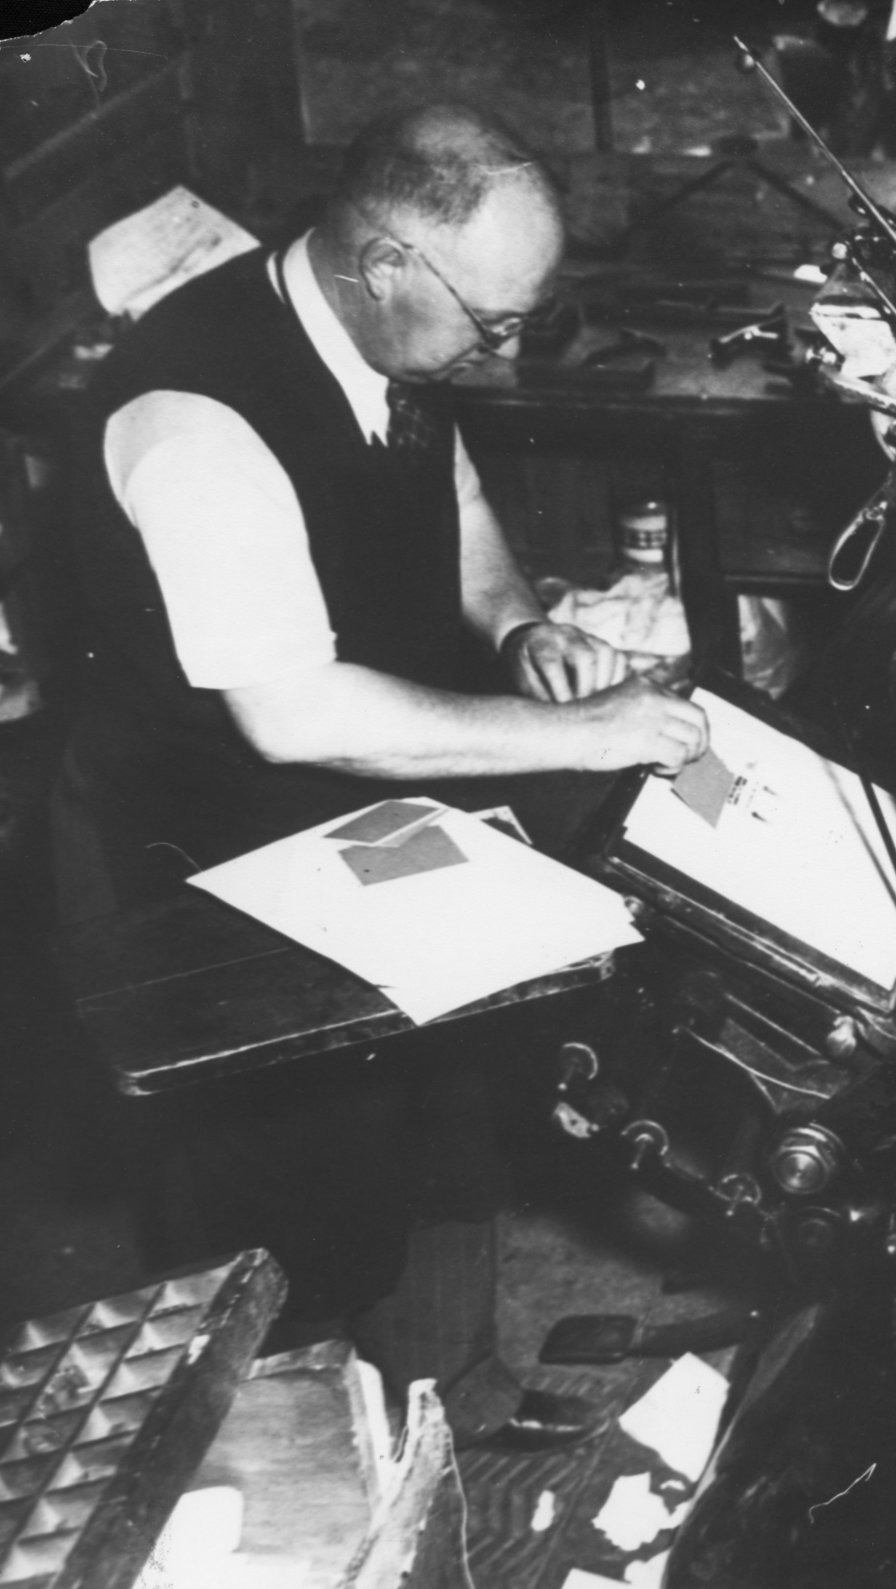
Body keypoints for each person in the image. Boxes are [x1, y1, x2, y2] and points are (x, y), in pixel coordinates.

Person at [51, 103, 707, 1450]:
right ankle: (309, 1475)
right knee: (283, 1237)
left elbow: (451, 508)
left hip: (371, 815)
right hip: (201, 868)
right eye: (496, 320)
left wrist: (519, 624)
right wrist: (586, 735)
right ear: (385, 266)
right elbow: (294, 715)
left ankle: (445, 1415)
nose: (510, 350)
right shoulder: (198, 418)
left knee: (449, 1137)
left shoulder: (394, 341)